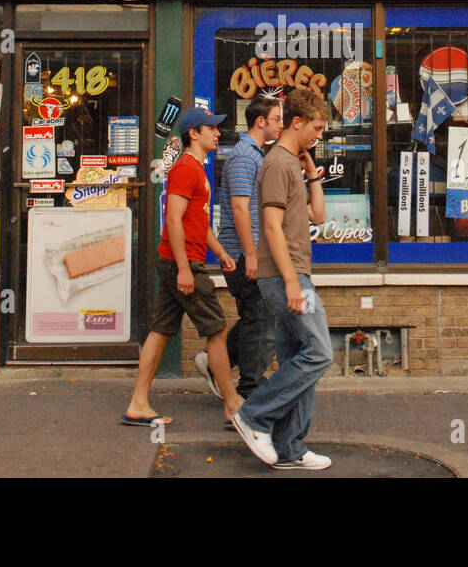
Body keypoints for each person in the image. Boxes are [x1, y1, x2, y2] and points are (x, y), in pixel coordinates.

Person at [230, 88, 333, 470]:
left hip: (295, 272)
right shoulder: (275, 163)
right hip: (286, 276)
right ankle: (253, 414)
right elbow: (271, 227)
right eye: (317, 128)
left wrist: (312, 175)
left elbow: (317, 217)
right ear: (296, 122)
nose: (319, 135)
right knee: (320, 353)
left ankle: (291, 447)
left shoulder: (291, 164)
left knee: (298, 357)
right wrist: (292, 282)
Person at [123, 107, 243, 428]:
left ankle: (138, 404)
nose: (218, 133)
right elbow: (173, 219)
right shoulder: (186, 169)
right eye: (211, 129)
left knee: (161, 330)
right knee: (217, 329)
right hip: (182, 262)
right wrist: (185, 269)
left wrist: (219, 252)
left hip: (180, 260)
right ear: (194, 133)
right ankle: (233, 404)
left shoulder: (196, 170)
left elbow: (197, 222)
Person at [204, 95, 283, 400]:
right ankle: (250, 388)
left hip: (252, 252)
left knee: (258, 317)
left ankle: (217, 362)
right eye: (276, 120)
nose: (280, 125)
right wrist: (250, 253)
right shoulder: (244, 157)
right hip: (242, 253)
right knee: (259, 319)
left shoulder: (256, 154)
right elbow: (239, 207)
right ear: (260, 121)